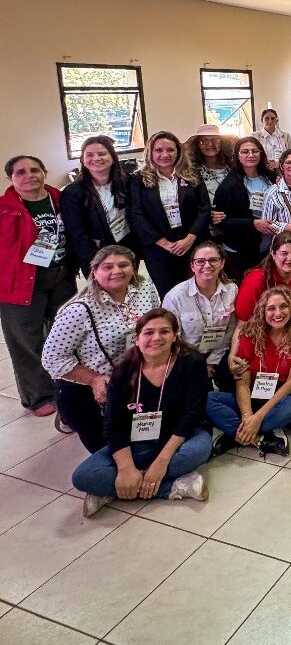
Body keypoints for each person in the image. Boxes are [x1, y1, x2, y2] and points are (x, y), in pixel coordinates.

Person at [71, 309, 211, 517]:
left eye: (164, 331)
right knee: (82, 476)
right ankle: (172, 486)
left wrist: (161, 462)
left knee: (200, 449)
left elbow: (191, 414)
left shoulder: (192, 362)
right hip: (138, 443)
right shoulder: (123, 372)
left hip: (179, 439)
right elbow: (113, 425)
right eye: (148, 332)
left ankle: (113, 491)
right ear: (137, 339)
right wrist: (126, 468)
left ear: (175, 336)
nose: (156, 338)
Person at [42, 246, 160, 451]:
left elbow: (158, 322)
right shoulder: (78, 311)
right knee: (114, 452)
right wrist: (93, 379)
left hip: (134, 377)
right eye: (108, 267)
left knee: (152, 441)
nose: (117, 271)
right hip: (90, 388)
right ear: (94, 272)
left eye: (123, 265)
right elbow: (52, 359)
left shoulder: (144, 289)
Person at [2, 155, 78, 419]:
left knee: (65, 334)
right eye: (20, 172)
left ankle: (70, 384)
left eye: (34, 170)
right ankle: (39, 396)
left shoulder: (60, 199)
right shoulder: (4, 208)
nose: (29, 176)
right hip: (19, 284)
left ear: (44, 172)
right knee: (27, 341)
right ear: (10, 178)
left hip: (61, 277)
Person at [209, 286, 291, 457]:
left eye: (283, 306)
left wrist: (258, 418)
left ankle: (236, 434)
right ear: (263, 311)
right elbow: (242, 381)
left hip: (280, 399)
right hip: (251, 396)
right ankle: (259, 438)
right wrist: (248, 415)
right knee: (208, 399)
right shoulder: (250, 334)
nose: (278, 313)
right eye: (271, 308)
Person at [128, 131, 211, 297]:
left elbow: (204, 207)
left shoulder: (192, 174)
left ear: (178, 152)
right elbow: (136, 215)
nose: (165, 155)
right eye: (159, 150)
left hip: (193, 244)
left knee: (197, 291)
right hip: (158, 249)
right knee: (169, 294)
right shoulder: (138, 180)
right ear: (150, 153)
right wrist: (164, 243)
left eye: (170, 150)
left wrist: (189, 239)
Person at [162, 241, 238, 392]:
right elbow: (173, 340)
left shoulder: (232, 290)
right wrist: (199, 366)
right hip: (186, 357)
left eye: (213, 260)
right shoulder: (175, 297)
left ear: (222, 263)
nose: (207, 265)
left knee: (234, 379)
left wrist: (212, 361)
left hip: (220, 351)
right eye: (200, 261)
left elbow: (231, 329)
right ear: (192, 266)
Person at [62, 137, 141, 276]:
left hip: (127, 247)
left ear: (112, 157)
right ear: (82, 160)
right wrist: (94, 261)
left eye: (102, 153)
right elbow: (77, 234)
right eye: (89, 155)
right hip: (95, 254)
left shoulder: (129, 182)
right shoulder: (73, 192)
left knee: (128, 285)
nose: (96, 158)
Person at [233, 232, 291, 349]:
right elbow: (242, 325)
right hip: (261, 338)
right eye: (284, 253)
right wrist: (233, 354)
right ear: (273, 254)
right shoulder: (255, 280)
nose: (290, 258)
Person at [212, 136, 277, 277]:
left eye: (255, 151)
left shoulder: (270, 177)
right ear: (237, 155)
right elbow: (221, 223)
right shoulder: (228, 186)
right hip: (241, 250)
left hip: (269, 246)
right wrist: (252, 224)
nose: (251, 155)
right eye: (245, 152)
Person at [186, 124, 231, 202]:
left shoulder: (231, 166)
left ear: (222, 143)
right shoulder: (190, 171)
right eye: (204, 140)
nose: (210, 144)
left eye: (215, 140)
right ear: (197, 145)